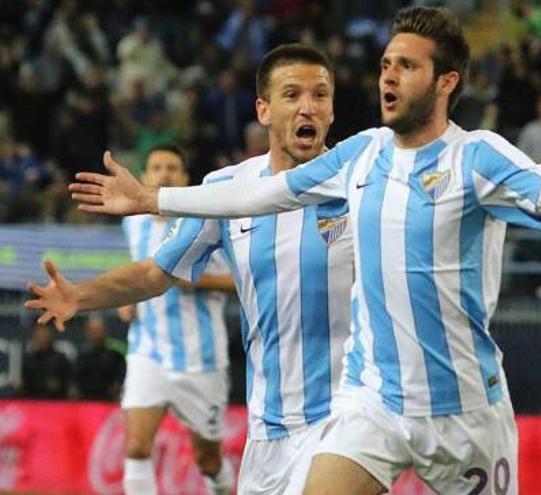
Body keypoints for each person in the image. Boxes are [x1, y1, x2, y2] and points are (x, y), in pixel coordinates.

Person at [66, 7, 541, 495]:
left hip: (465, 413)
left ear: (445, 81)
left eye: (408, 67)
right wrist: (157, 200)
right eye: (386, 64)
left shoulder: (478, 159)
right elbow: (256, 196)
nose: (388, 77)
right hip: (373, 402)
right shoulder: (357, 155)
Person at [27, 44, 352, 495]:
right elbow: (154, 273)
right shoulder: (224, 190)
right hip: (269, 425)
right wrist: (79, 297)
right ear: (263, 110)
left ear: (332, 110)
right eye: (292, 94)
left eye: (321, 95)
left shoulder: (359, 183)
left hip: (347, 419)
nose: (308, 106)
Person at [30, 144, 237, 495]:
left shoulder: (203, 220)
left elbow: (239, 281)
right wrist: (126, 305)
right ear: (144, 176)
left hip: (201, 360)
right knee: (136, 448)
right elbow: (137, 279)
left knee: (208, 460)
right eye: (156, 167)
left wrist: (190, 278)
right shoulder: (135, 225)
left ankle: (221, 487)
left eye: (172, 168)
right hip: (147, 352)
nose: (164, 174)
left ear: (186, 178)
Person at [74, 315, 126, 401]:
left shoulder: (115, 355)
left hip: (109, 401)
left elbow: (120, 377)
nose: (95, 333)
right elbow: (75, 380)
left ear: (105, 331)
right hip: (85, 401)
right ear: (87, 332)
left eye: (98, 330)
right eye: (92, 330)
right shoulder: (81, 356)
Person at [21, 324, 72, 399]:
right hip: (33, 400)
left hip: (56, 400)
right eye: (38, 336)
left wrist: (59, 384)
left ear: (50, 337)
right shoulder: (29, 360)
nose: (41, 338)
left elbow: (67, 380)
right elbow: (25, 382)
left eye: (43, 335)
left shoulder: (60, 358)